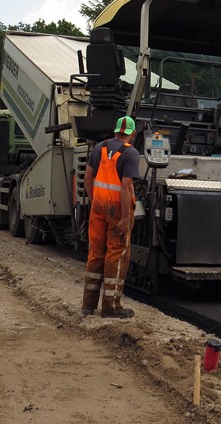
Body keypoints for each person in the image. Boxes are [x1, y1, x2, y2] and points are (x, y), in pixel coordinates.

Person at [81, 115, 140, 318]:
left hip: (98, 206)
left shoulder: (99, 148)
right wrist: (124, 218)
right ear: (133, 133)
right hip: (117, 209)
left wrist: (95, 201)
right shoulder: (131, 153)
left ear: (115, 131)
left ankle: (88, 305)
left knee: (96, 252)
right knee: (116, 254)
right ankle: (111, 306)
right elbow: (126, 186)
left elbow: (88, 178)